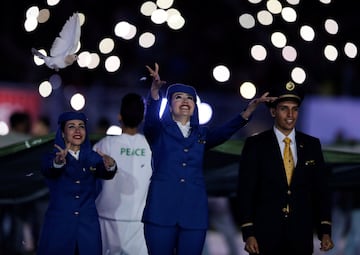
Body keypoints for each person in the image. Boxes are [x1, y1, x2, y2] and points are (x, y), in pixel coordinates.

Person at [142, 63, 276, 255]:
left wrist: (248, 112)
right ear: (170, 106)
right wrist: (155, 92)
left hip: (193, 215)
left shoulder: (201, 135)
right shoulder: (158, 132)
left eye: (190, 98)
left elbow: (224, 132)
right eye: (178, 97)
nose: (185, 101)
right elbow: (151, 121)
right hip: (160, 212)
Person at [237, 81, 334, 255]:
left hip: (301, 236)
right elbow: (245, 192)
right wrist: (248, 232)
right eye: (284, 109)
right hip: (264, 236)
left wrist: (325, 230)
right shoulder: (255, 145)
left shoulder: (312, 145)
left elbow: (321, 191)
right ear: (273, 111)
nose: (290, 115)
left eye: (295, 109)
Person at [37, 111, 117, 255]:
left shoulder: (93, 156)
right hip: (59, 227)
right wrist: (58, 162)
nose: (78, 130)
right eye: (71, 127)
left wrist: (110, 165)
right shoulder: (51, 157)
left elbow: (106, 172)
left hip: (87, 228)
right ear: (62, 133)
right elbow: (49, 169)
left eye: (81, 126)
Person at [94, 93, 152, 255]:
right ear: (142, 119)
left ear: (119, 116)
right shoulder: (152, 147)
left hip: (106, 217)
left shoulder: (104, 145)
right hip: (139, 222)